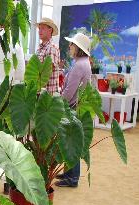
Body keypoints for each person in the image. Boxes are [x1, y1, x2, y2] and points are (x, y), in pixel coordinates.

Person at [55, 32, 92, 188]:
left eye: (71, 44)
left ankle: (72, 178)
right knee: (70, 140)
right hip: (77, 107)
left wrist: (58, 103)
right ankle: (70, 173)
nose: (69, 47)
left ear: (78, 47)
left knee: (71, 141)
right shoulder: (84, 62)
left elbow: (70, 92)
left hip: (71, 108)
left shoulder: (79, 65)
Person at [36, 18, 60, 95]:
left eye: (42, 28)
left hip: (48, 95)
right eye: (39, 28)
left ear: (50, 30)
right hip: (40, 92)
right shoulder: (39, 48)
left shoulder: (51, 48)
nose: (40, 31)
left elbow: (48, 71)